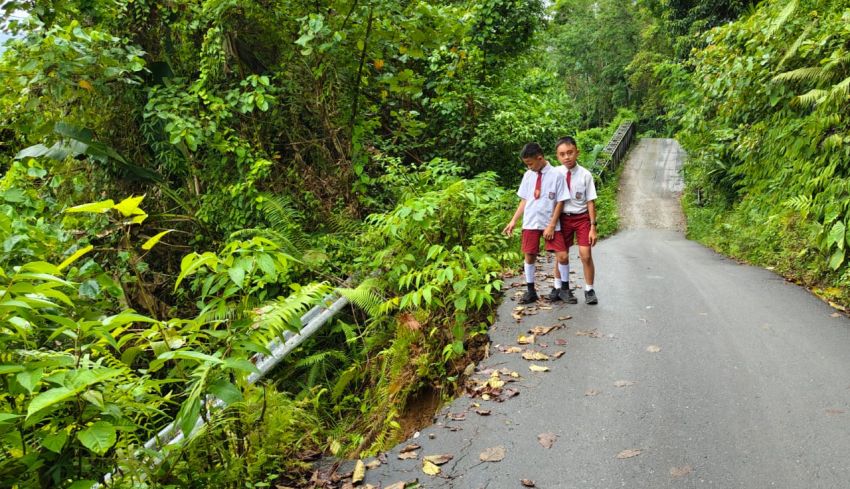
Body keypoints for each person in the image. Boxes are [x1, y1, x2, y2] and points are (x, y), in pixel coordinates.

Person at [502, 142, 571, 304]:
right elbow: (524, 200)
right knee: (529, 255)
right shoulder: (528, 175)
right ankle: (531, 290)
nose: (529, 167)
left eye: (530, 163)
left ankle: (565, 289)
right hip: (531, 222)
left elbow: (560, 202)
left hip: (550, 222)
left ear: (540, 158)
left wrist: (552, 225)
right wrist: (513, 221)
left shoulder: (557, 175)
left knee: (562, 255)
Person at [551, 136, 599, 305]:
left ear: (577, 152)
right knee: (561, 255)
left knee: (585, 255)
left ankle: (589, 289)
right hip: (562, 219)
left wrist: (593, 227)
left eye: (570, 153)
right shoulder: (555, 173)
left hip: (582, 219)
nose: (567, 157)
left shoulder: (585, 175)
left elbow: (590, 201)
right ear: (557, 156)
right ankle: (558, 287)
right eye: (562, 154)